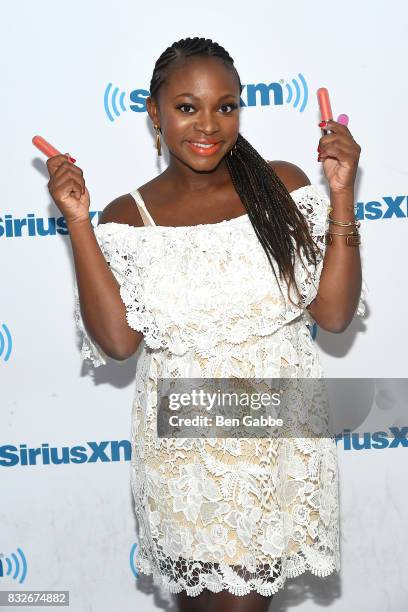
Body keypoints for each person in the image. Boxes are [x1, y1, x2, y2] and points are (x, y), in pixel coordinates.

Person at [46, 37, 366, 612]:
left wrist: (340, 194)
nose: (209, 124)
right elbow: (118, 342)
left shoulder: (282, 185)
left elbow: (335, 314)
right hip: (183, 446)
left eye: (226, 105)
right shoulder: (128, 215)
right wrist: (78, 222)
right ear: (154, 112)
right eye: (187, 106)